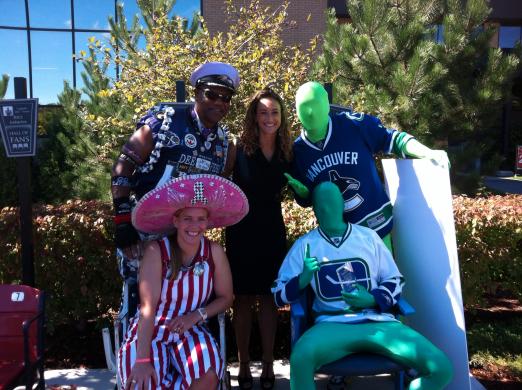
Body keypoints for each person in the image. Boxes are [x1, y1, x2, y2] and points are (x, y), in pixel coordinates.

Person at [272, 182, 454, 390]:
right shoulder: (305, 246)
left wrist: (373, 298)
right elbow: (278, 296)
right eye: (321, 203)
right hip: (331, 325)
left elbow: (395, 280)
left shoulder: (368, 237)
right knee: (300, 358)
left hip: (380, 323)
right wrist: (303, 279)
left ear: (343, 205)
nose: (326, 208)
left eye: (332, 201)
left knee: (441, 368)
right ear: (314, 208)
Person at [111, 62, 240, 284]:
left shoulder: (223, 141)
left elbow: (217, 185)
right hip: (145, 234)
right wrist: (122, 221)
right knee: (142, 305)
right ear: (197, 93)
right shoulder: (165, 122)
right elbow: (123, 166)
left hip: (189, 237)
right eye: (212, 94)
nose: (219, 102)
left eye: (226, 97)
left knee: (183, 303)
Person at [286, 81, 450, 255]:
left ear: (327, 104)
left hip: (375, 223)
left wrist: (425, 151)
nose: (311, 112)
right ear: (296, 110)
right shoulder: (297, 152)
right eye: (304, 106)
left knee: (387, 278)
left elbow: (392, 139)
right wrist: (303, 193)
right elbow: (309, 198)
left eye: (316, 104)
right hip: (337, 237)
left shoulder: (353, 125)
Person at [118, 174, 249, 390]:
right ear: (176, 221)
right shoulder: (157, 250)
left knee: (207, 378)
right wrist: (142, 359)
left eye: (201, 219)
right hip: (151, 329)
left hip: (192, 328)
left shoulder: (214, 251)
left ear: (208, 222)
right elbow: (148, 307)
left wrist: (195, 316)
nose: (194, 225)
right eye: (187, 218)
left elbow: (226, 298)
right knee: (140, 383)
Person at [222, 87, 293, 390]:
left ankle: (266, 361)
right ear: (254, 115)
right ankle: (241, 362)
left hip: (272, 231)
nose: (269, 117)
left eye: (274, 112)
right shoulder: (236, 148)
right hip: (241, 230)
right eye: (263, 111)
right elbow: (222, 186)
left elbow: (299, 188)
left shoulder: (288, 150)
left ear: (281, 117)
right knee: (242, 298)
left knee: (269, 298)